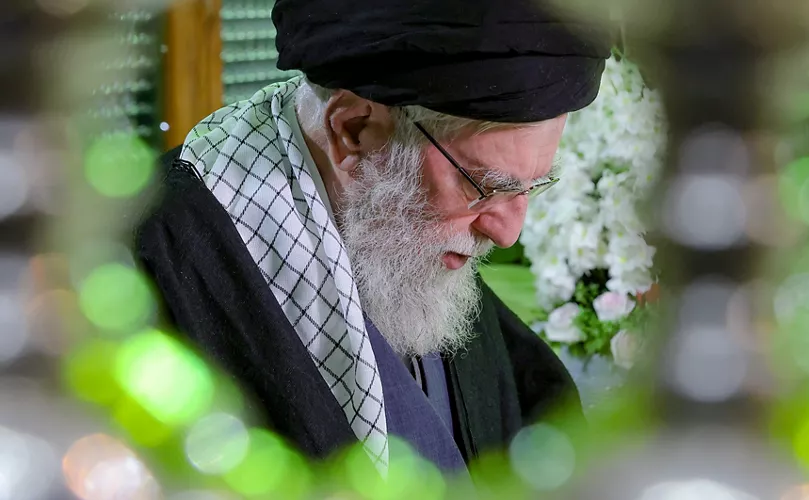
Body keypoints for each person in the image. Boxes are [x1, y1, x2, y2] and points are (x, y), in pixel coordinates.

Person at [133, 0, 609, 474]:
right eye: (484, 186)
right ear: (353, 130)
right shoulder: (149, 268)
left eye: (531, 187)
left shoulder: (410, 233)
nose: (507, 232)